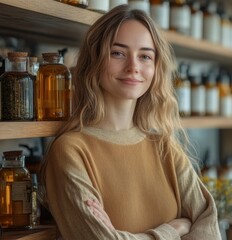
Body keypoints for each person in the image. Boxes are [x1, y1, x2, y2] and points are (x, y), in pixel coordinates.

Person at [40, 4, 221, 240]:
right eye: (118, 53)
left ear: (156, 67)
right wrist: (174, 229)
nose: (133, 67)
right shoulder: (70, 150)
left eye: (145, 56)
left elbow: (208, 225)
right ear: (95, 59)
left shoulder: (163, 145)